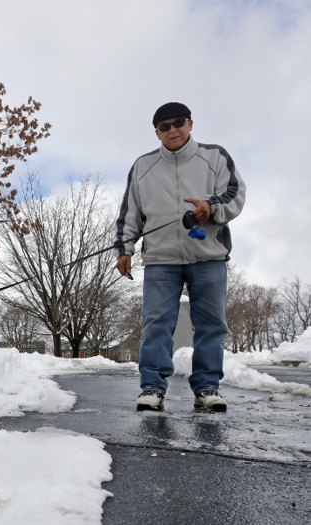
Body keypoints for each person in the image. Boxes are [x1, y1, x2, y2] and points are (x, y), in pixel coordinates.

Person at [115, 102, 246, 412]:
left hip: (209, 256)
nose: (172, 130)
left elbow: (235, 193)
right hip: (161, 260)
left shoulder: (214, 156)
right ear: (157, 133)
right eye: (164, 126)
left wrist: (210, 207)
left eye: (177, 123)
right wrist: (124, 248)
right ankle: (152, 387)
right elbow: (130, 212)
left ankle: (207, 388)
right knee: (156, 324)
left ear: (190, 124)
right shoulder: (143, 166)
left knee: (212, 324)